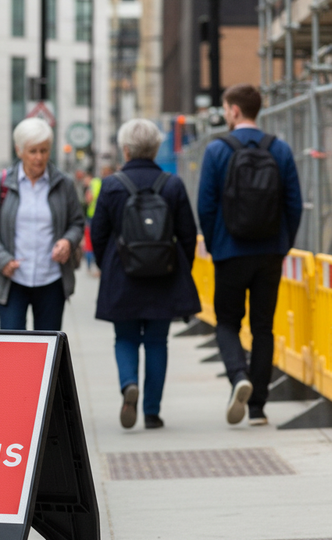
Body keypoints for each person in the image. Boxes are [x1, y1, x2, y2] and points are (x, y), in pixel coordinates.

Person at [198, 84, 303, 426]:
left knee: (227, 322)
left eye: (227, 108)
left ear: (234, 111)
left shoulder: (217, 150)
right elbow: (293, 204)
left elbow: (206, 206)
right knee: (263, 327)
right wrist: (282, 244)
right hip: (270, 252)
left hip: (230, 252)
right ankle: (257, 406)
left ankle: (237, 375)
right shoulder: (281, 149)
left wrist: (216, 246)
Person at [91, 118, 200, 430]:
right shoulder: (173, 184)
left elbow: (98, 234)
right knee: (157, 342)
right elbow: (188, 234)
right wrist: (180, 268)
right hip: (164, 277)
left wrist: (108, 265)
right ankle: (152, 411)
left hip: (123, 276)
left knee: (124, 337)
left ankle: (128, 385)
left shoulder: (112, 185)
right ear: (155, 149)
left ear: (125, 149)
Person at [0, 117, 84, 331]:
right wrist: (2, 259)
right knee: (13, 347)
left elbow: (77, 222)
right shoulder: (2, 183)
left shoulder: (63, 184)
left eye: (44, 151)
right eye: (33, 151)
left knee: (47, 348)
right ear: (19, 151)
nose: (39, 157)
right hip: (12, 279)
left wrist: (67, 241)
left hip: (51, 279)